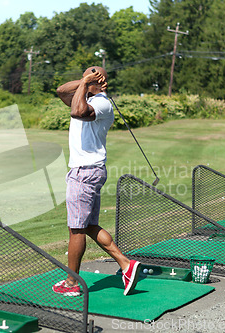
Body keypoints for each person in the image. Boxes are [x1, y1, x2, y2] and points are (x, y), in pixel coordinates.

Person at [53, 66, 141, 296]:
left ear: (100, 83)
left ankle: (72, 284)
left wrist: (87, 84)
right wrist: (85, 80)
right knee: (89, 226)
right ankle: (126, 264)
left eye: (89, 79)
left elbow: (77, 112)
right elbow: (61, 91)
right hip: (88, 172)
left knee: (77, 229)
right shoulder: (84, 93)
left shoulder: (101, 103)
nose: (83, 82)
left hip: (85, 173)